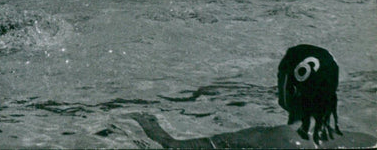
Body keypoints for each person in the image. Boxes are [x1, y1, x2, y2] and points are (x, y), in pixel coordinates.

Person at [131, 44, 376, 149]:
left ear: (288, 89)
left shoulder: (265, 138)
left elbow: (174, 146)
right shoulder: (364, 140)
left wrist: (145, 120)